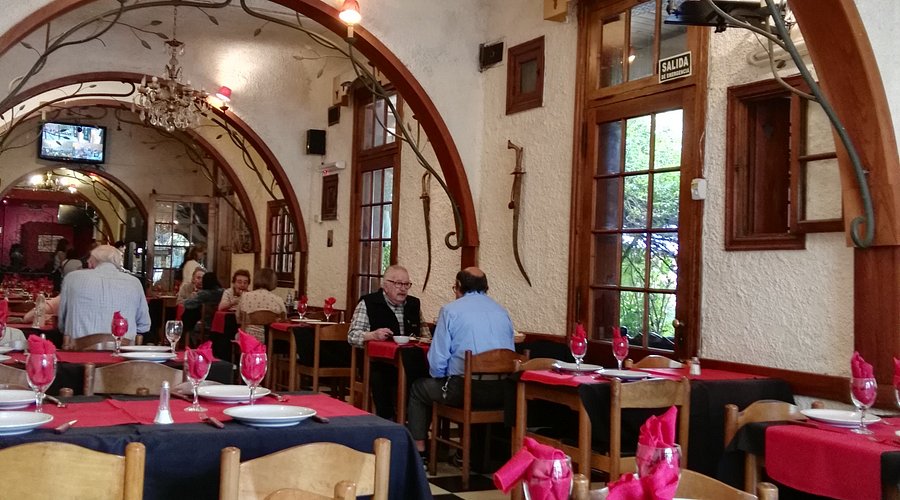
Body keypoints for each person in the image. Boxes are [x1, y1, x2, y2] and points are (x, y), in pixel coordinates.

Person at [406, 267, 515, 455]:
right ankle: (472, 454)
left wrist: (442, 379)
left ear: (458, 286)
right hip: (502, 393)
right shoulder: (502, 312)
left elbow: (437, 362)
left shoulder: (450, 311)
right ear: (486, 287)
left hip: (465, 390)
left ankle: (419, 451)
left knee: (418, 388)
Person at [347, 264, 430, 420]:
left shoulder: (413, 304)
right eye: (398, 284)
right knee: (380, 376)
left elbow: (425, 336)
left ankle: (413, 420)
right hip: (376, 362)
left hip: (409, 362)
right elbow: (352, 336)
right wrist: (372, 335)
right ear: (385, 285)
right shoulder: (369, 302)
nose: (403, 289)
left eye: (406, 284)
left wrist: (421, 340)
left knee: (426, 375)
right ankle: (387, 419)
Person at [57, 244, 151, 340]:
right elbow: (144, 325)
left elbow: (62, 323)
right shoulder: (134, 282)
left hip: (79, 347)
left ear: (92, 261)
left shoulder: (72, 278)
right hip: (122, 347)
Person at [236, 268, 285, 341]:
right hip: (270, 339)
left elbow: (238, 318)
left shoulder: (245, 296)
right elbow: (284, 319)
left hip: (248, 338)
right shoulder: (278, 299)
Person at [182, 272, 224, 345]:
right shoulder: (223, 292)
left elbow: (187, 304)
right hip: (220, 322)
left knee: (188, 315)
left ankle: (190, 343)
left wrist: (193, 296)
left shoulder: (204, 294)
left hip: (206, 321)